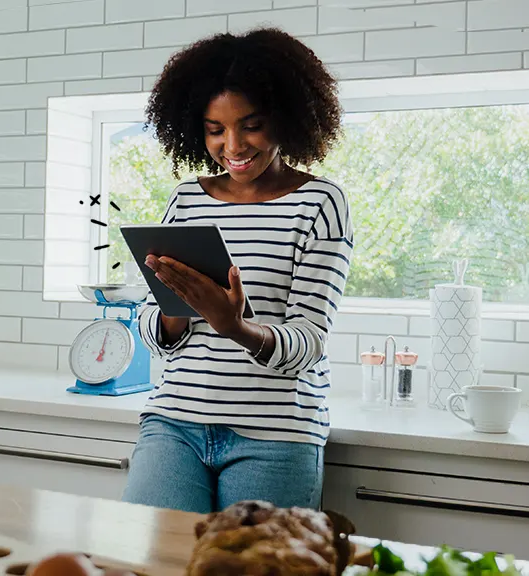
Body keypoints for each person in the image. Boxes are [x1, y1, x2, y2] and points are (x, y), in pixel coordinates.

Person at [120, 27, 353, 514]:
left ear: (286, 117)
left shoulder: (320, 203)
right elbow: (148, 322)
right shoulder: (186, 199)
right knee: (156, 564)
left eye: (251, 125)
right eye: (215, 129)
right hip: (174, 424)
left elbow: (309, 341)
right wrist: (174, 313)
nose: (233, 145)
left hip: (275, 435)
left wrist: (237, 328)